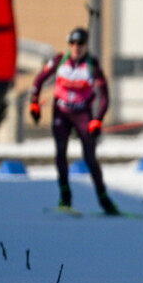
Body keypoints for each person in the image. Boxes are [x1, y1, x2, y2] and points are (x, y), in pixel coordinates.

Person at [29, 27, 120, 215]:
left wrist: (97, 120)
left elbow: (105, 97)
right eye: (72, 43)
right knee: (60, 152)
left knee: (89, 157)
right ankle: (65, 197)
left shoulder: (92, 65)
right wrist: (34, 104)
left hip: (82, 114)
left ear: (86, 45)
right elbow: (38, 81)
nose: (76, 47)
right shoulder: (59, 60)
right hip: (61, 112)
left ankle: (104, 200)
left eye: (80, 44)